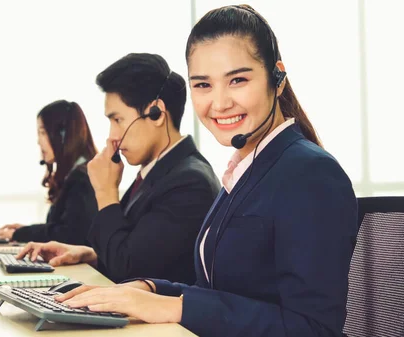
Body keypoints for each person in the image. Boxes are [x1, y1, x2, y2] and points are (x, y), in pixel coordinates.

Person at [47, 5, 359, 337]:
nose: (220, 102)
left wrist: (173, 306)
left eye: (237, 80)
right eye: (203, 85)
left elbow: (313, 328)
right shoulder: (248, 169)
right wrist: (149, 289)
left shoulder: (309, 174)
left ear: (278, 78)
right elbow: (222, 291)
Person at [17, 53, 221, 284]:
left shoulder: (189, 183)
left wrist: (105, 192)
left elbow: (129, 271)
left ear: (156, 114)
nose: (112, 136)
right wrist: (91, 256)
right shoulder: (158, 172)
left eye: (118, 120)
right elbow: (140, 253)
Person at [0, 100, 98, 245]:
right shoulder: (77, 173)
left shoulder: (82, 179)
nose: (38, 141)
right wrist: (26, 231)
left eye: (42, 132)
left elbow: (70, 234)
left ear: (62, 136)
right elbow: (64, 227)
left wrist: (21, 234)